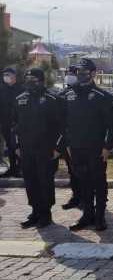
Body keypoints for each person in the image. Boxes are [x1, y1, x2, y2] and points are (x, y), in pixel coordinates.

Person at [59, 58, 113, 231]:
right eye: (78, 71)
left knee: (98, 182)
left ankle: (99, 217)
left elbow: (112, 125)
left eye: (84, 71)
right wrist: (66, 143)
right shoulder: (68, 95)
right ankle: (87, 215)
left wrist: (107, 146)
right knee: (83, 182)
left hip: (96, 149)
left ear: (93, 73)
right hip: (76, 147)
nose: (80, 74)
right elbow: (63, 123)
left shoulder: (102, 96)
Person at [11, 68, 62, 228]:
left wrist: (58, 148)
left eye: (33, 79)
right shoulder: (20, 99)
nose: (30, 82)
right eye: (28, 79)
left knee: (45, 181)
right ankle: (35, 211)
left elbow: (62, 127)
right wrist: (16, 146)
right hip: (26, 149)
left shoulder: (52, 99)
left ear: (41, 81)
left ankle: (46, 214)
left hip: (46, 149)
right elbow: (14, 125)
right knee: (30, 181)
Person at [58, 66, 82, 210]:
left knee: (85, 172)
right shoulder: (63, 94)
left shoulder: (83, 92)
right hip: (69, 140)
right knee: (72, 170)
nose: (70, 76)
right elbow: (60, 119)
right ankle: (76, 196)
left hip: (84, 140)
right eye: (68, 74)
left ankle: (87, 198)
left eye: (73, 74)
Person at [1, 67, 24, 178]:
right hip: (5, 123)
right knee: (10, 147)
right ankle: (13, 168)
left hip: (18, 123)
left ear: (14, 76)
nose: (6, 77)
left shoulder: (21, 89)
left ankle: (21, 168)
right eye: (5, 74)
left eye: (8, 74)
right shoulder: (2, 89)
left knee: (18, 146)